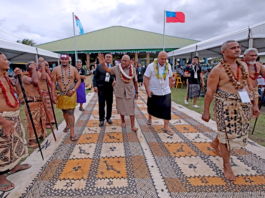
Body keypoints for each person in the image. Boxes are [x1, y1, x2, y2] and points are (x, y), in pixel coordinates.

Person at [202, 40, 260, 181]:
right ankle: (227, 166)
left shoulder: (244, 66)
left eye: (238, 47)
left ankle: (215, 143)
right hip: (224, 105)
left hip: (243, 103)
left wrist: (254, 104)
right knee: (226, 135)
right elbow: (209, 92)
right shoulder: (218, 70)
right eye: (233, 48)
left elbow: (249, 86)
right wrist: (206, 111)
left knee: (234, 131)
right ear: (224, 52)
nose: (237, 50)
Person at [0, 52, 30, 192]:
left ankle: (14, 166)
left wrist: (18, 78)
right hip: (2, 119)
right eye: (5, 59)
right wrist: (3, 121)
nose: (8, 61)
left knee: (15, 143)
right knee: (2, 148)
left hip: (14, 116)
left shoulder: (6, 77)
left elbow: (18, 94)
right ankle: (0, 178)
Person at [97, 53, 138, 131]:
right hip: (120, 92)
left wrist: (137, 92)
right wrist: (102, 63)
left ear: (129, 62)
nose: (123, 62)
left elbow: (135, 81)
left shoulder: (133, 69)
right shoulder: (117, 68)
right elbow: (107, 69)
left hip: (129, 92)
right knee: (121, 108)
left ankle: (133, 125)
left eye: (125, 61)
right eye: (122, 60)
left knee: (131, 109)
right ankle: (123, 121)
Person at [51, 53, 81, 141]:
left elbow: (79, 80)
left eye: (66, 59)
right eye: (62, 59)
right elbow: (53, 83)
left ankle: (72, 132)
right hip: (60, 94)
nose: (64, 61)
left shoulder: (74, 69)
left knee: (70, 112)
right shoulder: (56, 69)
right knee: (64, 111)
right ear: (61, 60)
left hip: (71, 94)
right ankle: (67, 124)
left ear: (69, 60)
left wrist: (73, 90)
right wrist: (53, 95)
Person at [144, 51, 173, 136]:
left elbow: (170, 77)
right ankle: (149, 118)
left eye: (165, 59)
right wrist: (147, 90)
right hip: (154, 91)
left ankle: (166, 127)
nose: (163, 61)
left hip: (165, 91)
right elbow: (146, 78)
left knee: (167, 109)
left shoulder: (168, 66)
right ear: (158, 57)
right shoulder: (151, 66)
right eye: (162, 59)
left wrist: (169, 88)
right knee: (151, 107)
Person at [22, 61, 47, 148]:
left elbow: (43, 78)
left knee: (40, 119)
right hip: (31, 102)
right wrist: (33, 69)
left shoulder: (36, 74)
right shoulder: (24, 77)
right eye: (33, 65)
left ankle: (40, 135)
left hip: (39, 101)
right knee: (32, 121)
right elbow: (35, 82)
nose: (35, 65)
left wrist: (39, 69)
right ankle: (31, 141)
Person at [93, 53, 116, 126]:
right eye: (107, 57)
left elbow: (116, 77)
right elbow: (95, 77)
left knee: (109, 103)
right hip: (101, 88)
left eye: (110, 57)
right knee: (101, 103)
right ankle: (101, 119)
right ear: (104, 58)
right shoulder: (99, 67)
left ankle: (108, 118)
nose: (108, 58)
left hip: (110, 88)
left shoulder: (114, 67)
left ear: (111, 58)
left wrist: (115, 81)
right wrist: (95, 86)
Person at [38, 61, 55, 129]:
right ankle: (46, 122)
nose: (48, 66)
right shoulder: (39, 72)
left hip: (49, 91)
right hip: (44, 92)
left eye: (48, 65)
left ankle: (51, 120)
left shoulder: (47, 72)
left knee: (51, 107)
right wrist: (43, 68)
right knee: (46, 108)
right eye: (46, 65)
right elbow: (43, 78)